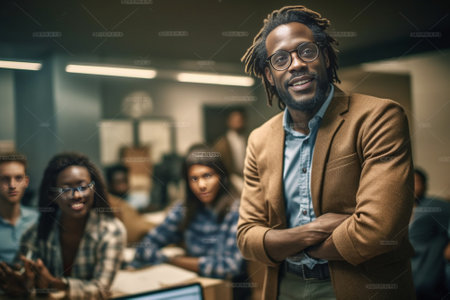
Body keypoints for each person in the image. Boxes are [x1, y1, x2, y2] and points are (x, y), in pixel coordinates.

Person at [237, 5, 415, 299]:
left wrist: (283, 242)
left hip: (360, 286)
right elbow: (247, 238)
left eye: (306, 51)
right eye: (281, 59)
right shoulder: (259, 140)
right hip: (285, 287)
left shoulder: (379, 117)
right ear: (269, 75)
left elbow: (378, 232)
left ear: (326, 56)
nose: (295, 64)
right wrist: (312, 231)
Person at [0, 152, 126, 299]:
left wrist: (55, 284)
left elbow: (100, 290)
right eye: (66, 189)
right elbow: (22, 281)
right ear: (52, 195)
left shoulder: (111, 231)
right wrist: (22, 286)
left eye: (83, 186)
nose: (77, 195)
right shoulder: (38, 232)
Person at [132, 145, 248, 298]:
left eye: (207, 176)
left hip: (229, 293)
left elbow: (227, 267)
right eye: (194, 178)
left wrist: (171, 260)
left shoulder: (236, 211)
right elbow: (145, 246)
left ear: (221, 177)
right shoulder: (184, 209)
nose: (201, 185)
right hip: (192, 286)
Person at [409, 168, 450, 299]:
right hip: (410, 270)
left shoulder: (437, 206)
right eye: (409, 181)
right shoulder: (401, 209)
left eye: (416, 181)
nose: (412, 185)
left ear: (425, 184)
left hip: (430, 269)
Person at [0, 152, 38, 265]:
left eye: (18, 178)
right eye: (5, 179)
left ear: (26, 182)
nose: (12, 185)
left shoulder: (38, 219)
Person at [105, 164, 154, 245]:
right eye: (118, 182)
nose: (122, 186)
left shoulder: (140, 199)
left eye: (125, 181)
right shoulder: (109, 202)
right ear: (110, 184)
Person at [213, 110, 247, 193]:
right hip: (230, 179)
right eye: (235, 120)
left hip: (246, 175)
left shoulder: (247, 139)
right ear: (229, 122)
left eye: (240, 120)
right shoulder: (222, 143)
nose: (238, 122)